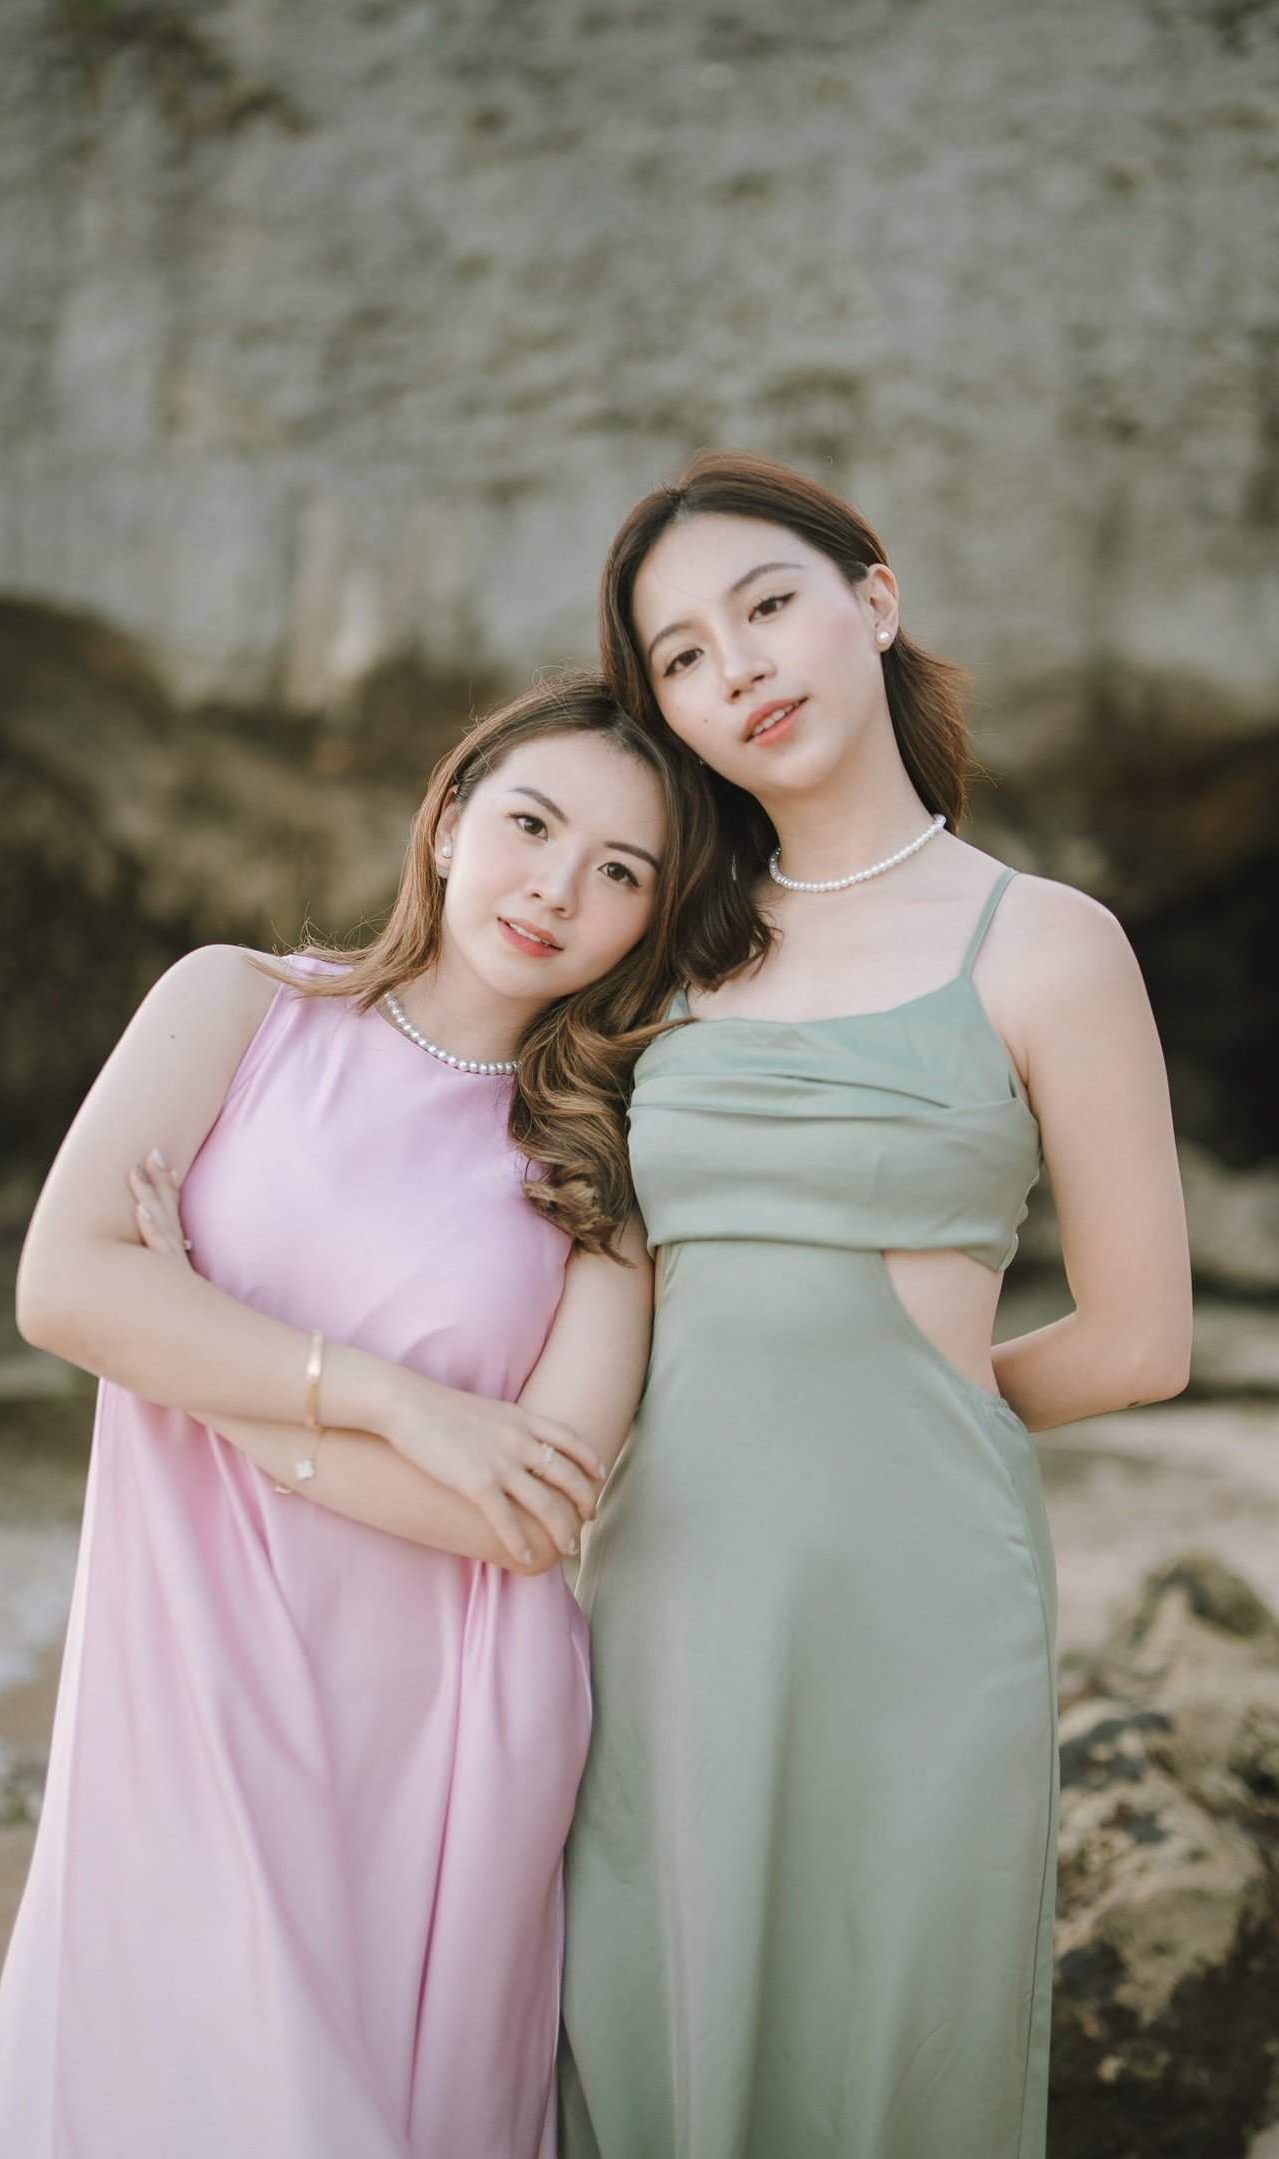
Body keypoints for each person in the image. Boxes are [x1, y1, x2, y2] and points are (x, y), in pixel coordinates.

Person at [0, 674, 717, 2159]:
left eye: (621, 871)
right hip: (183, 1661)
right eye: (530, 822)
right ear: (446, 824)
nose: (557, 887)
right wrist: (400, 1405)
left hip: (441, 1727)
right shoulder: (234, 1004)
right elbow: (62, 1290)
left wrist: (201, 1360)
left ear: (651, 918)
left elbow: (532, 1513)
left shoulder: (607, 1166)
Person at [558, 453, 1193, 2159]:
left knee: (891, 2030)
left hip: (920, 1590)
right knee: (648, 2017)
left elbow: (1141, 1337)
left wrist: (913, 1400)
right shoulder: (657, 956)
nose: (737, 667)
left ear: (876, 601)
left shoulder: (1047, 944)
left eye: (767, 605)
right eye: (680, 655)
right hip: (663, 1581)